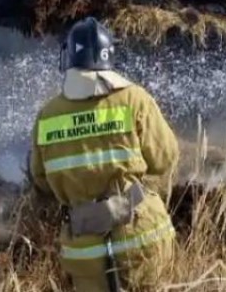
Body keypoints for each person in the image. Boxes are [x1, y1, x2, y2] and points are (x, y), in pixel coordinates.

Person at [28, 17, 179, 292]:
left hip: (85, 251)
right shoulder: (135, 99)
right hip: (142, 233)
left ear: (68, 58)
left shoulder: (47, 115)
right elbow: (165, 157)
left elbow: (40, 180)